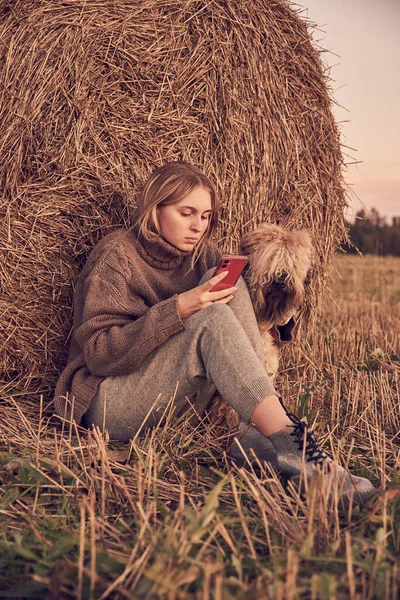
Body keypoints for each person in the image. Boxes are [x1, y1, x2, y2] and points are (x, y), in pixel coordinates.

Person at [54, 161, 376, 507]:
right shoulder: (117, 256)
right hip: (108, 402)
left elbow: (248, 318)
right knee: (211, 314)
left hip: (171, 398)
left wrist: (280, 309)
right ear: (154, 208)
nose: (197, 226)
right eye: (186, 212)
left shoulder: (202, 255)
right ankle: (292, 444)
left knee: (230, 284)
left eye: (206, 216)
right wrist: (180, 307)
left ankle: (260, 440)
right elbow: (100, 354)